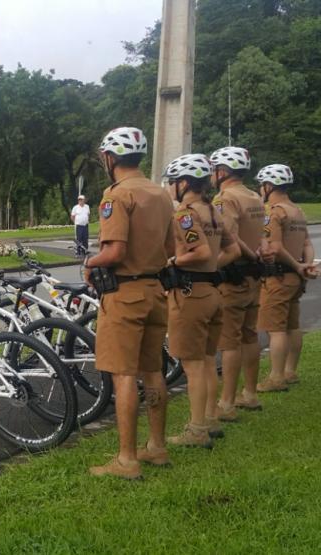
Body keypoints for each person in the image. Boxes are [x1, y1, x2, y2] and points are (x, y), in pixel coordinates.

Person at [85, 127, 175, 480]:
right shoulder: (162, 194)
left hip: (124, 295)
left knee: (123, 374)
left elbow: (115, 250)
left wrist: (91, 263)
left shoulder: (116, 196)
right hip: (155, 292)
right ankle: (157, 447)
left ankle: (126, 459)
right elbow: (172, 250)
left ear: (110, 158)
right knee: (153, 371)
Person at [163, 154, 241, 449]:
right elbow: (232, 250)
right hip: (212, 293)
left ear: (184, 183)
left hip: (192, 295)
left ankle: (197, 429)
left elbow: (198, 251)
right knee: (208, 361)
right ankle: (209, 419)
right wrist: (211, 269)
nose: (171, 187)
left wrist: (174, 260)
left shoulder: (185, 214)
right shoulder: (212, 210)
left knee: (193, 365)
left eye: (173, 182)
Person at [209, 147, 267, 417]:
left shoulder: (225, 198)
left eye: (213, 169)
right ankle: (250, 394)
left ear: (222, 172)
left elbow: (230, 235)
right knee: (249, 334)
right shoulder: (254, 195)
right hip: (255, 275)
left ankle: (227, 402)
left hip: (234, 275)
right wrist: (257, 255)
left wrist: (247, 253)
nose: (210, 175)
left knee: (229, 341)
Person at [256, 164, 318, 391]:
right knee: (293, 325)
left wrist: (297, 265)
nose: (260, 189)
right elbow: (307, 244)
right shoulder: (297, 210)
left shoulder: (275, 212)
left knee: (276, 329)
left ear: (269, 186)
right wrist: (306, 265)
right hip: (295, 279)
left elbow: (276, 247)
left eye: (261, 185)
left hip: (279, 277)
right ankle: (290, 371)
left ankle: (276, 377)